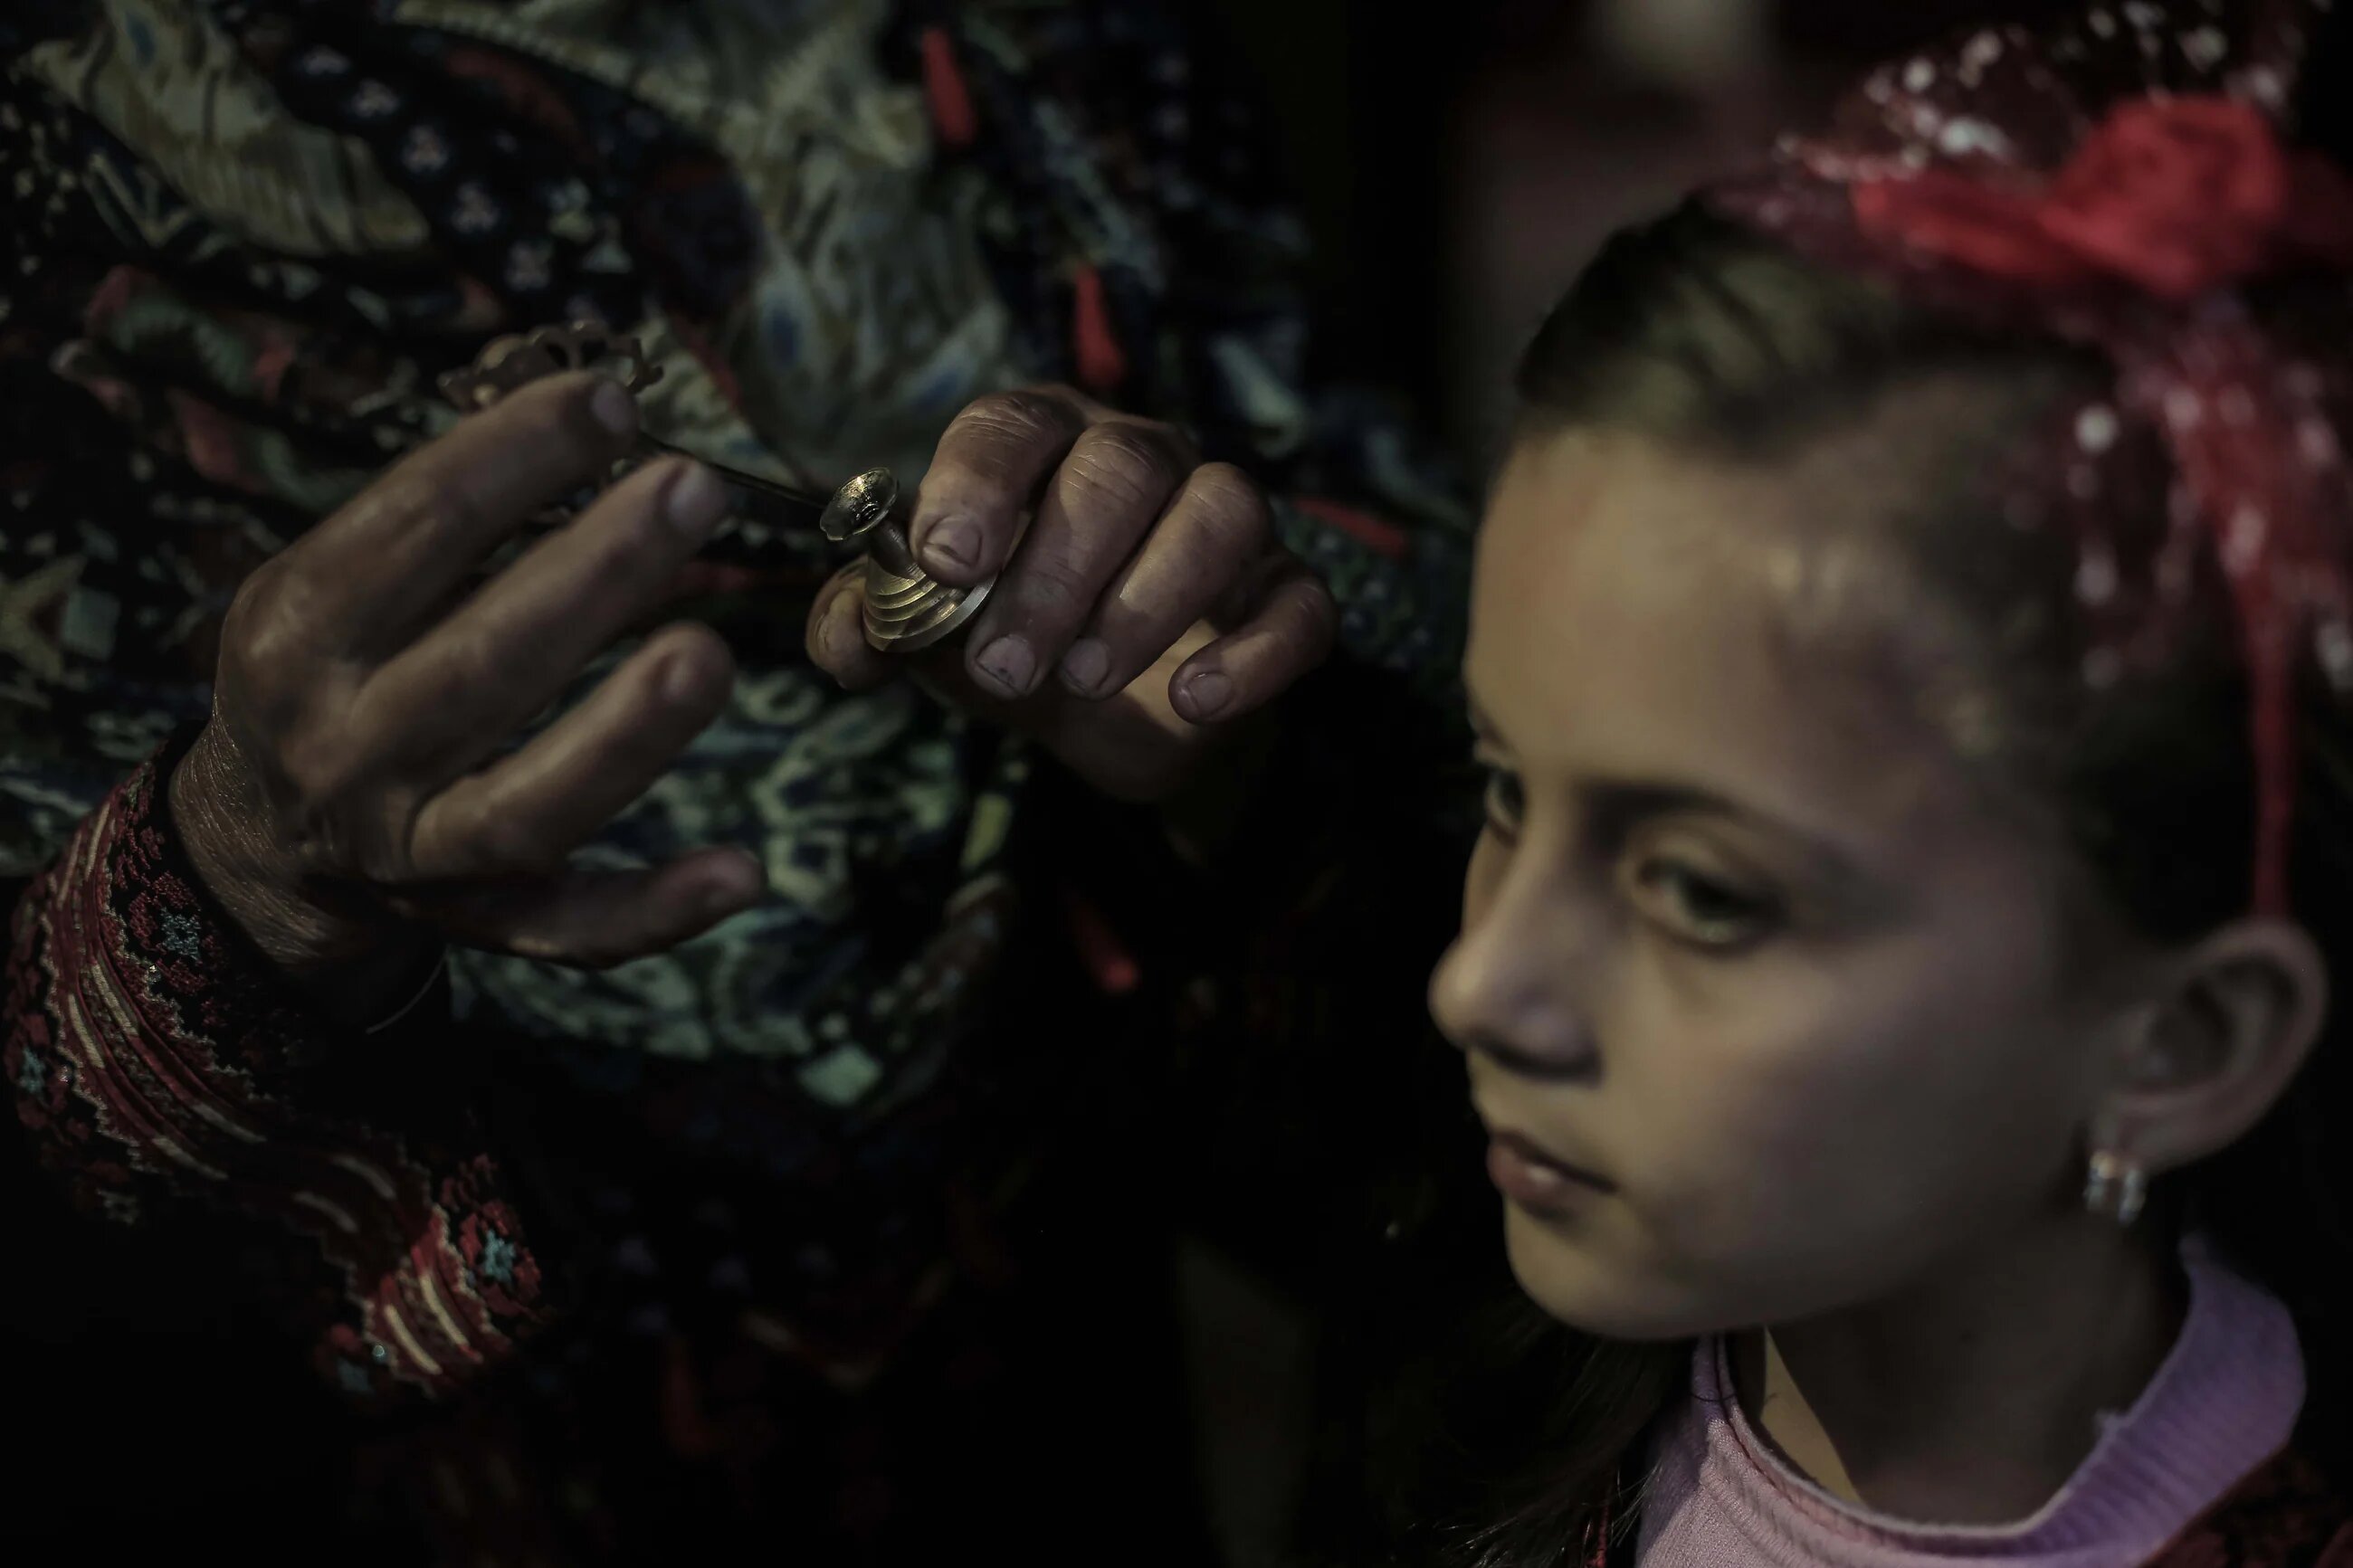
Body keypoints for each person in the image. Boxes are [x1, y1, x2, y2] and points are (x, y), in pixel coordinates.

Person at [0, 1, 1470, 1559]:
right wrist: (232, 865)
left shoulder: (1066, 49)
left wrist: (1233, 715)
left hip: (1027, 1442)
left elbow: (1456, 669)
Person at [1347, 2, 2353, 1564]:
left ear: (2176, 1039)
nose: (1482, 983)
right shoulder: (1482, 1389)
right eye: (1504, 789)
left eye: (1702, 892)